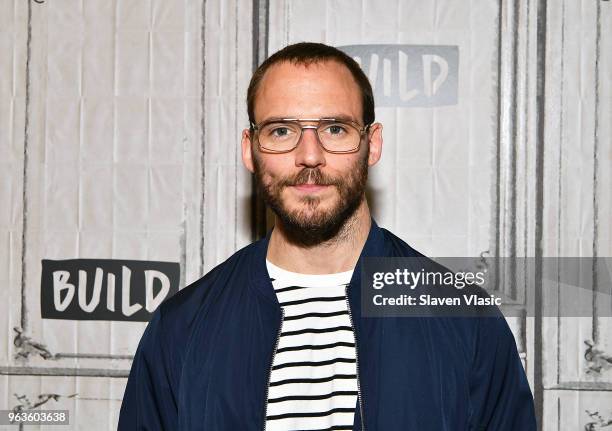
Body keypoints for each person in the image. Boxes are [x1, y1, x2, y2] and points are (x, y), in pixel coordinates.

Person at [118, 42, 537, 430]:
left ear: (371, 144)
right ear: (250, 149)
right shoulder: (182, 329)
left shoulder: (465, 322)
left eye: (335, 128)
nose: (310, 156)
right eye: (281, 130)